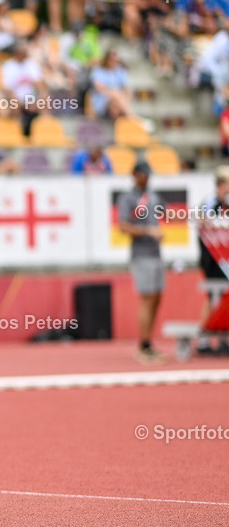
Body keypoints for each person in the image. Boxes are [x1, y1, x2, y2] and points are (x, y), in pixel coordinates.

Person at [117, 161, 166, 363]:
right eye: (143, 174)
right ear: (135, 175)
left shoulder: (153, 196)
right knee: (146, 298)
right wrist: (147, 231)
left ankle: (149, 342)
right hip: (141, 254)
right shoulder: (128, 198)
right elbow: (123, 226)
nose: (147, 178)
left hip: (156, 252)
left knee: (156, 297)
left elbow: (165, 213)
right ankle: (143, 345)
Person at [194, 166, 229, 355]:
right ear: (221, 184)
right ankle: (204, 340)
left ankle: (224, 338)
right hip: (212, 260)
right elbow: (202, 222)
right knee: (212, 296)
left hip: (226, 260)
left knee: (225, 298)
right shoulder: (210, 202)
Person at [89, 49, 133, 119]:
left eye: (116, 61)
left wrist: (121, 95)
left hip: (118, 100)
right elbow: (99, 88)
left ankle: (124, 119)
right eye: (111, 60)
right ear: (106, 59)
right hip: (102, 100)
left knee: (118, 100)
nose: (113, 62)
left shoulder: (120, 72)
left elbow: (126, 88)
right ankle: (132, 117)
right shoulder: (98, 71)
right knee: (115, 94)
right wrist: (113, 92)